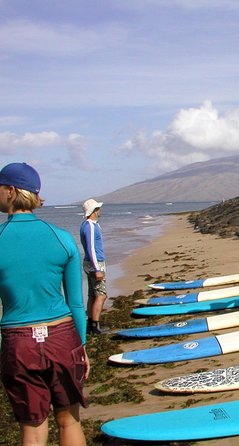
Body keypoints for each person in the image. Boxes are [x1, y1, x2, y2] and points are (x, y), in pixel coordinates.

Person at [0, 162, 89, 446]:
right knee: (69, 420)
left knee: (33, 428)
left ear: (10, 190)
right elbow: (76, 303)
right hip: (63, 338)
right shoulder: (61, 238)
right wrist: (82, 346)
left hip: (19, 342)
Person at [80, 198, 108, 335]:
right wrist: (97, 269)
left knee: (92, 294)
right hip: (94, 264)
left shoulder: (92, 225)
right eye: (98, 208)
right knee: (101, 295)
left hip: (93, 263)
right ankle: (95, 327)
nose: (100, 210)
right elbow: (91, 248)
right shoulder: (89, 226)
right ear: (94, 211)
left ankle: (90, 325)